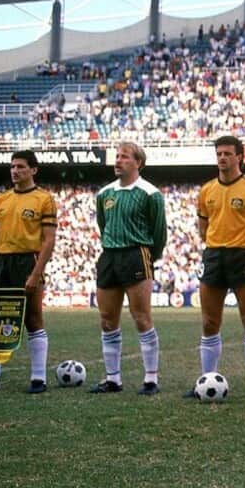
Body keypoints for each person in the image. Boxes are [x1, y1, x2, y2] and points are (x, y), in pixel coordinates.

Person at [188, 135, 245, 400]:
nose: (222, 158)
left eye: (227, 153)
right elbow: (204, 228)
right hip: (214, 256)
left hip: (242, 256)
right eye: (219, 153)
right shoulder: (206, 191)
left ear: (239, 156)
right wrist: (217, 245)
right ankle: (206, 380)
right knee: (209, 322)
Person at [0, 151, 57, 394]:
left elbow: (48, 241)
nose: (15, 171)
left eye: (21, 166)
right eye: (12, 166)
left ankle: (39, 379)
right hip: (2, 263)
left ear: (33, 170)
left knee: (33, 319)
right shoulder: (1, 200)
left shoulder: (44, 199)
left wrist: (37, 273)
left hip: (28, 261)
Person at [89, 142, 168, 395]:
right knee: (107, 320)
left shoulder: (150, 193)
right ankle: (113, 379)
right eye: (117, 156)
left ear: (138, 163)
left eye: (124, 157)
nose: (118, 160)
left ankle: (151, 379)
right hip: (109, 256)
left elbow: (159, 233)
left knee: (141, 317)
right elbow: (104, 224)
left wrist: (147, 257)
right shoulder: (105, 194)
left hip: (137, 254)